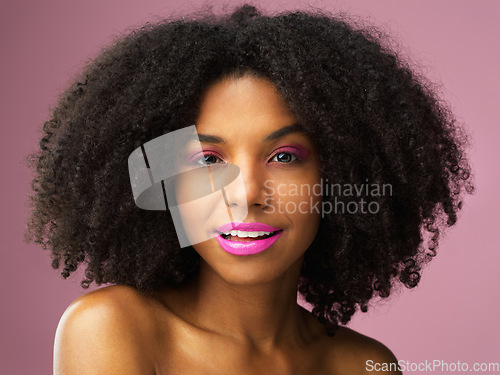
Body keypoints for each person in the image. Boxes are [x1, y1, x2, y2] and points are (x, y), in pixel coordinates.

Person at [25, 4, 473, 374]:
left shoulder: (365, 365)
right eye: (207, 160)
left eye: (284, 157)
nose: (245, 194)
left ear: (342, 174)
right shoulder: (111, 329)